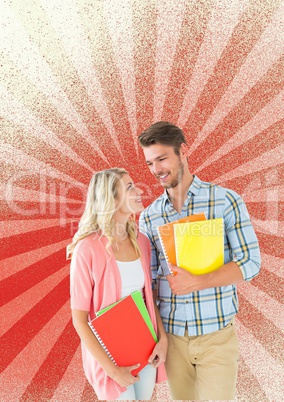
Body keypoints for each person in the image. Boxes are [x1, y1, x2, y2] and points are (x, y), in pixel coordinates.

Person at [138, 121, 261, 400]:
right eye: (149, 163)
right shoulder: (149, 216)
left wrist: (200, 281)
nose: (156, 170)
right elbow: (149, 282)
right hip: (172, 339)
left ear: (183, 151)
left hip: (216, 336)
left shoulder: (225, 201)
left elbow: (251, 261)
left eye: (162, 158)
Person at [67, 168, 167, 401]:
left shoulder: (141, 241)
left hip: (145, 350)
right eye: (130, 186)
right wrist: (112, 370)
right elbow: (79, 320)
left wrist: (163, 341)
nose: (140, 190)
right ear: (111, 199)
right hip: (107, 357)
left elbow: (148, 300)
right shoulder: (87, 249)